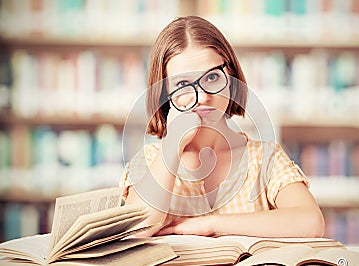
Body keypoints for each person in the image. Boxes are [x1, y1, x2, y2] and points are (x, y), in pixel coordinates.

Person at [120, 16, 325, 238]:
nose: (203, 97)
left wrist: (212, 224)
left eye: (212, 77)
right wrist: (172, 146)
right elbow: (134, 232)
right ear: (164, 95)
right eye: (182, 85)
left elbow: (310, 223)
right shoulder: (149, 161)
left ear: (231, 76)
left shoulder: (265, 158)